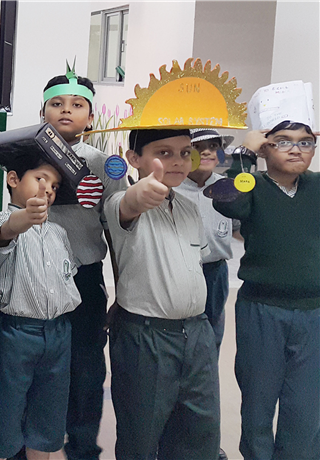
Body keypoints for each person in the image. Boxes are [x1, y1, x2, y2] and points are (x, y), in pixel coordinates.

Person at [0, 65, 127, 460]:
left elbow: (117, 231)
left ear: (91, 117)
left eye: (77, 104)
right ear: (42, 112)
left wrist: (122, 291)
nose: (66, 110)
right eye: (57, 103)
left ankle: (81, 448)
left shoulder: (104, 164)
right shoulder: (25, 150)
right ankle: (16, 448)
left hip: (80, 283)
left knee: (83, 373)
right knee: (19, 384)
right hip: (25, 282)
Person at [105, 129, 219, 459]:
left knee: (199, 434)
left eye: (184, 153)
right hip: (146, 337)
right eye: (164, 153)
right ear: (134, 159)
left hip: (197, 334)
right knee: (140, 437)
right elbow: (130, 203)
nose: (178, 161)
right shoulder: (120, 204)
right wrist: (139, 194)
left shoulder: (188, 208)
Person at [214, 120, 319, 460]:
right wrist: (244, 152)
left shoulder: (317, 186)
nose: (296, 149)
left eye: (305, 142)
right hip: (261, 310)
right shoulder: (252, 184)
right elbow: (226, 201)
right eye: (283, 141)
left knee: (305, 408)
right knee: (258, 404)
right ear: (265, 147)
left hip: (313, 312)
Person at [0, 158, 81, 460]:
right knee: (3, 416)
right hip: (17, 336)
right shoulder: (1, 221)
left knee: (46, 422)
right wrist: (25, 217)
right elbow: (4, 232)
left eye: (55, 186)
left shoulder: (59, 233)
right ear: (13, 179)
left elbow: (65, 276)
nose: (48, 189)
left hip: (58, 333)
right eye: (41, 179)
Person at [174, 128, 237, 350]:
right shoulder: (172, 188)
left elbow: (238, 227)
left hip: (215, 271)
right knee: (179, 328)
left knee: (212, 329)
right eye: (197, 147)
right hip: (179, 269)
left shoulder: (229, 187)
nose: (206, 152)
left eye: (213, 146)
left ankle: (209, 368)